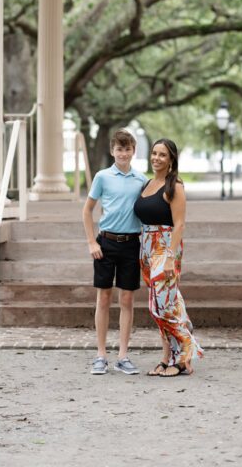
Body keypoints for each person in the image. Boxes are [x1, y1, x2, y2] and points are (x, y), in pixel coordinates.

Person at [81, 128, 148, 375]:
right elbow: (87, 210)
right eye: (119, 149)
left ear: (133, 151)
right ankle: (100, 355)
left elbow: (148, 211)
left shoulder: (141, 180)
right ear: (112, 151)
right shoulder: (102, 177)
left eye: (127, 149)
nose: (123, 153)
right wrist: (91, 242)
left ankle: (122, 355)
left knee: (128, 299)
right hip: (106, 244)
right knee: (104, 297)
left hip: (131, 244)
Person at [135, 138, 203, 377]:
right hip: (145, 248)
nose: (156, 158)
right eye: (154, 153)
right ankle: (167, 358)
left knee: (159, 307)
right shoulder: (148, 184)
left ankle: (186, 349)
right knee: (167, 304)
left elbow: (180, 224)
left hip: (165, 248)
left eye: (162, 155)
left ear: (171, 159)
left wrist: (169, 258)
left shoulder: (175, 186)